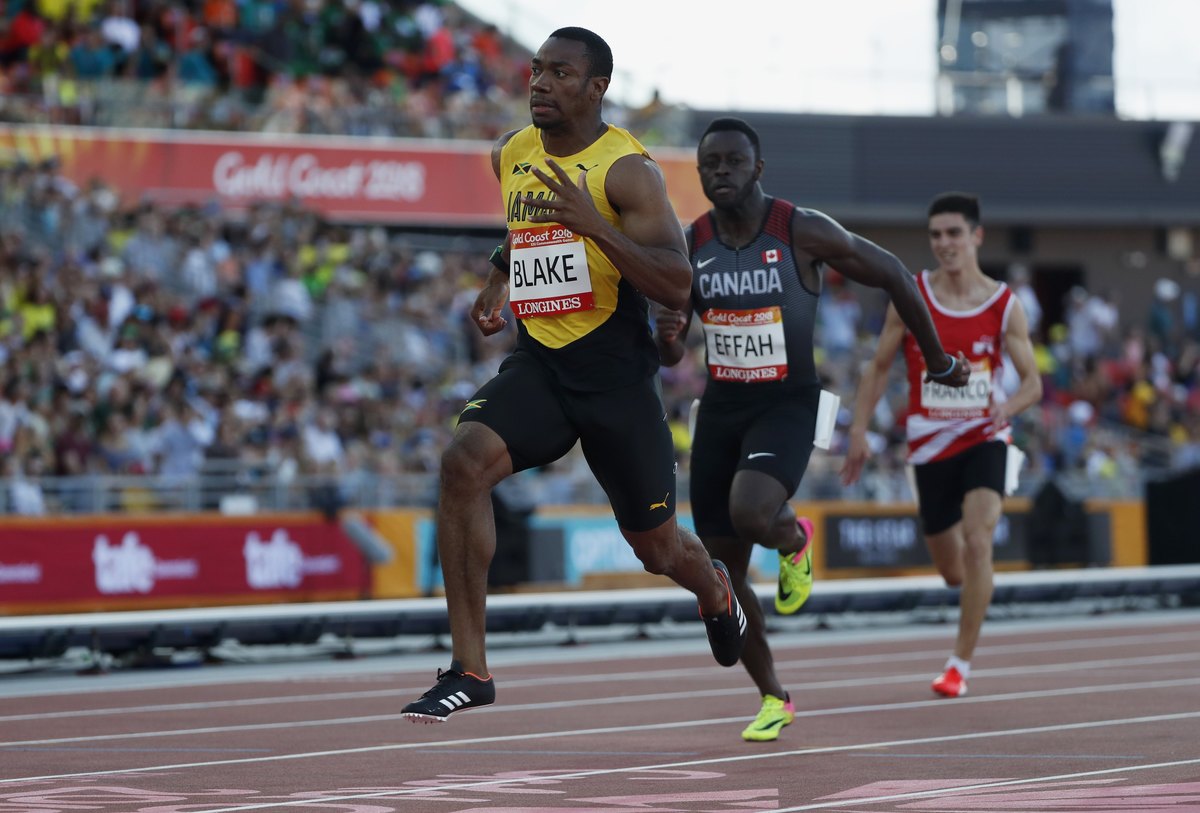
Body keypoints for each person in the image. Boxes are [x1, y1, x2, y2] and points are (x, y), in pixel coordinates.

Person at [402, 28, 748, 724]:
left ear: (597, 88)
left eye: (560, 73)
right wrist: (499, 277)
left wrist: (597, 226)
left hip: (616, 380)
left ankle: (715, 589)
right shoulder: (511, 152)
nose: (539, 83)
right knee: (462, 464)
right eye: (536, 70)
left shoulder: (628, 172)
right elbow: (527, 223)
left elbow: (676, 282)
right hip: (542, 367)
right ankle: (470, 668)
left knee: (657, 550)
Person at [654, 117, 970, 742]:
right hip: (720, 411)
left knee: (751, 511)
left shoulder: (799, 229)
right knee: (721, 576)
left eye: (733, 161)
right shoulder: (692, 244)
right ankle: (774, 696)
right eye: (709, 164)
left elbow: (895, 274)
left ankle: (794, 539)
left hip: (788, 404)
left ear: (758, 168)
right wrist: (666, 341)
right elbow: (672, 348)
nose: (721, 172)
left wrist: (937, 360)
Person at [841, 192, 1042, 699]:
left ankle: (958, 665)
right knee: (953, 572)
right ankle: (969, 602)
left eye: (954, 233)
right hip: (929, 448)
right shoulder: (912, 296)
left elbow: (1033, 384)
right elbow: (879, 367)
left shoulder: (1004, 305)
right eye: (936, 235)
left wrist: (1007, 408)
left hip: (985, 437)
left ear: (976, 236)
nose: (944, 243)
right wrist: (859, 430)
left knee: (979, 542)